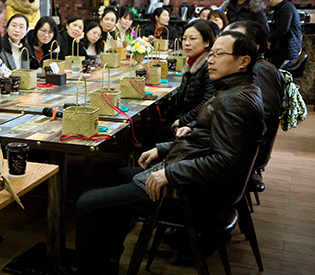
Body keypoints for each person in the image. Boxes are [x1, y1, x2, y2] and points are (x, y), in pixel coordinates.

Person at [57, 31, 264, 275]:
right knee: (121, 174)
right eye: (212, 54)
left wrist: (170, 173)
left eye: (219, 54)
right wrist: (164, 148)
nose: (210, 59)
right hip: (198, 181)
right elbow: (207, 142)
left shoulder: (235, 102)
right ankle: (108, 259)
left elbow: (226, 162)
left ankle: (89, 270)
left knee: (87, 204)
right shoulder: (238, 90)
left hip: (193, 194)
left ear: (243, 61)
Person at [144, 20, 216, 150]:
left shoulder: (208, 67)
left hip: (195, 125)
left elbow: (207, 103)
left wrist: (182, 121)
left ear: (207, 42)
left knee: (151, 139)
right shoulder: (191, 62)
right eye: (184, 39)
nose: (186, 43)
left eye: (192, 39)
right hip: (186, 119)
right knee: (150, 135)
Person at [227, 20, 285, 153]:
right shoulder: (247, 68)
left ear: (255, 47)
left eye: (235, 41)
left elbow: (263, 118)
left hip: (239, 150)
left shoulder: (261, 70)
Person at [265, 0, 302, 68]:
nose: (270, 0)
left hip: (287, 47)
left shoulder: (286, 8)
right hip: (288, 46)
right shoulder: (284, 7)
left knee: (275, 70)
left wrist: (269, 39)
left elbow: (283, 28)